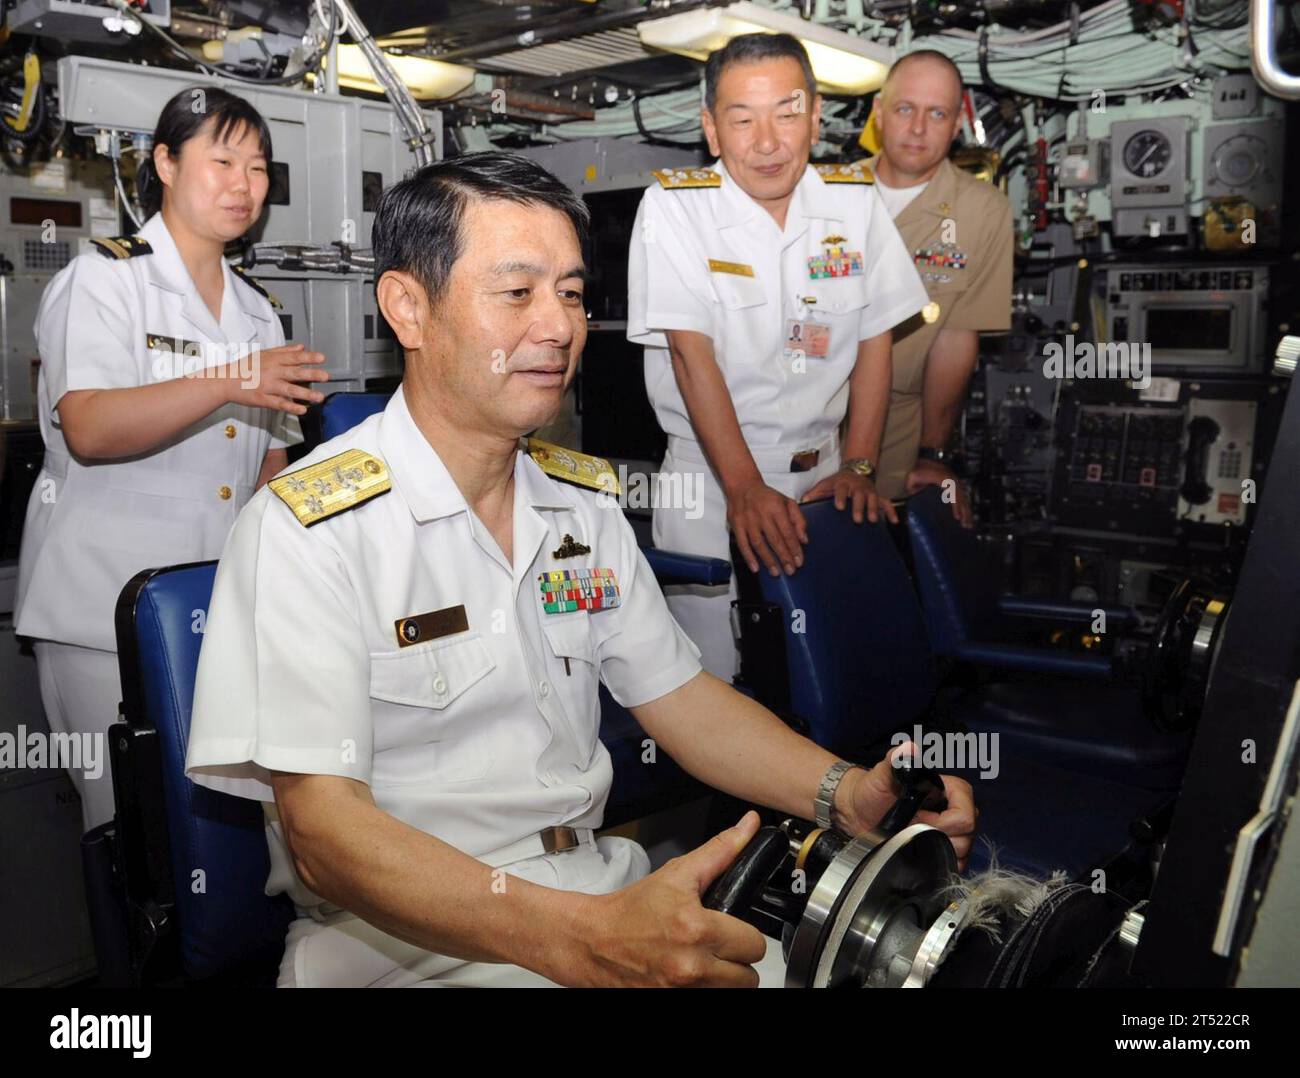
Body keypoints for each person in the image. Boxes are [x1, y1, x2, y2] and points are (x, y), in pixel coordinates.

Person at [184, 152, 976, 988]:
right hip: (401, 946)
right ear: (408, 308)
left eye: (570, 293)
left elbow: (680, 700)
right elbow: (325, 836)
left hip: (598, 889)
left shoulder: (581, 506)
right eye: (517, 292)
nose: (559, 327)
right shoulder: (312, 530)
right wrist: (578, 939)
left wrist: (846, 796)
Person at [13, 86, 329, 832]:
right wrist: (231, 378)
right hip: (101, 615)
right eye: (222, 161)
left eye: (258, 168)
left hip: (212, 610)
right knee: (131, 834)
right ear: (165, 162)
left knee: (218, 831)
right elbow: (89, 427)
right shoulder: (103, 281)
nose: (244, 184)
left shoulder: (257, 310)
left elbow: (266, 469)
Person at [627, 33, 929, 679]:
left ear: (816, 117)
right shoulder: (676, 207)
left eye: (787, 113)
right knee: (714, 685)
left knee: (824, 673)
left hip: (823, 481)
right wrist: (743, 488)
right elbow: (689, 352)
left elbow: (876, 336)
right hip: (711, 486)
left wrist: (861, 464)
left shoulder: (854, 201)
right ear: (712, 128)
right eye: (742, 118)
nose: (767, 142)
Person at [866, 50, 1014, 525]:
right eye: (905, 108)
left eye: (937, 113)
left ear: (956, 126)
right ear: (878, 112)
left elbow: (955, 337)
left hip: (896, 437)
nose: (917, 128)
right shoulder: (828, 193)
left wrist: (932, 451)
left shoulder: (983, 210)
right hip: (800, 428)